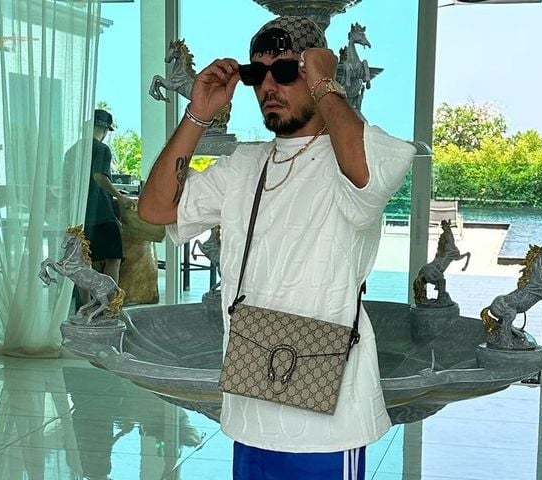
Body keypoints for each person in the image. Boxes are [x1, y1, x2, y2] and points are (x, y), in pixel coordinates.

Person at [138, 16, 415, 480]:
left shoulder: (350, 158)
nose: (269, 85)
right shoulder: (244, 165)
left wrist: (326, 82)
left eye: (285, 71)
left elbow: (369, 174)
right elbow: (155, 208)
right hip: (252, 401)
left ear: (314, 70)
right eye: (256, 74)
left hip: (329, 418)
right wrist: (198, 113)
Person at [64, 109, 133, 306]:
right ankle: (109, 306)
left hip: (78, 215)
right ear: (104, 130)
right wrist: (120, 196)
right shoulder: (101, 149)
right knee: (113, 259)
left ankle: (85, 306)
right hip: (101, 213)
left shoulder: (72, 151)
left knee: (84, 263)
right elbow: (99, 177)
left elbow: (66, 184)